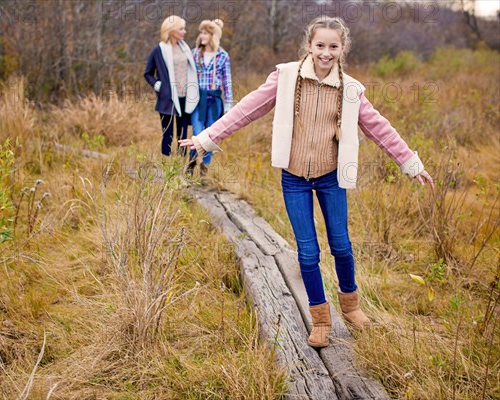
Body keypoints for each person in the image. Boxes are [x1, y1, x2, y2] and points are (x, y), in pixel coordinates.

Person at [180, 16, 434, 348]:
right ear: (309, 45)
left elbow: (380, 129)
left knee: (341, 244)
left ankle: (351, 307)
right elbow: (246, 110)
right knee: (308, 251)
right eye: (320, 45)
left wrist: (410, 163)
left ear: (342, 48)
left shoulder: (351, 90)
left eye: (333, 46)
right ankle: (321, 319)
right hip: (294, 178)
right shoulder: (285, 78)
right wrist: (207, 137)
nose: (326, 53)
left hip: (331, 177)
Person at [144, 16, 199, 157]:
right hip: (167, 100)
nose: (184, 31)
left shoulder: (185, 48)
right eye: (181, 28)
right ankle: (166, 165)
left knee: (182, 135)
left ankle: (180, 166)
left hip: (185, 98)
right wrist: (159, 86)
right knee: (167, 135)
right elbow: (148, 73)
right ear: (172, 30)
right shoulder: (159, 50)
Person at [186, 19, 233, 177]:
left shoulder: (222, 56)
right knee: (198, 133)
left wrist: (228, 106)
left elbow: (227, 82)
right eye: (201, 32)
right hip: (198, 100)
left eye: (206, 33)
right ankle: (191, 164)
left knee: (210, 136)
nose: (202, 35)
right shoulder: (194, 53)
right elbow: (188, 77)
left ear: (213, 35)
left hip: (214, 101)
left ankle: (204, 171)